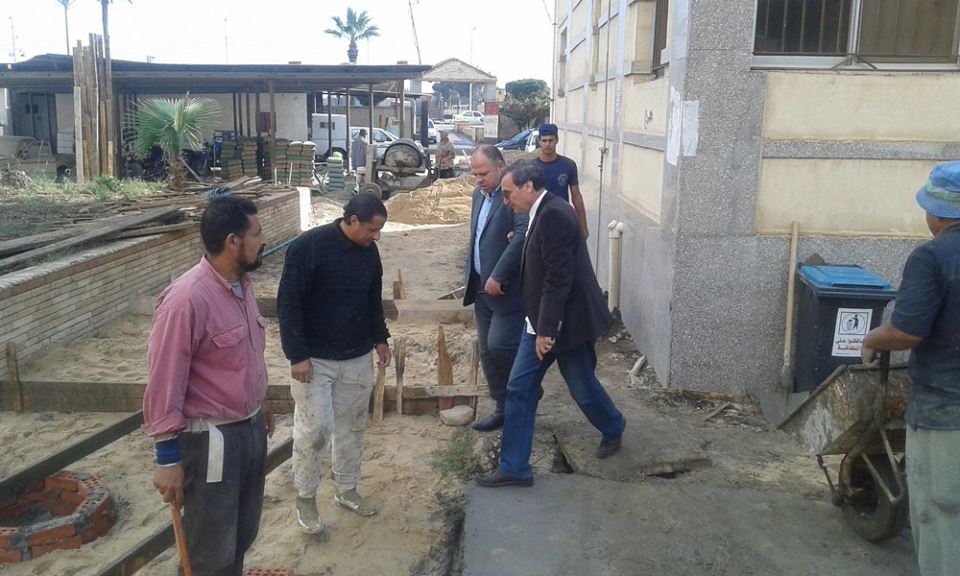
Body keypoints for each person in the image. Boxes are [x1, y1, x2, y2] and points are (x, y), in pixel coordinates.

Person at [144, 195, 274, 576]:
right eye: (257, 233)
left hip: (249, 431)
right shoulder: (186, 300)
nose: (263, 240)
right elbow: (164, 380)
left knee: (241, 535)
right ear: (233, 241)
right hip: (212, 443)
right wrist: (167, 458)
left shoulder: (242, 286)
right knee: (209, 550)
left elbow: (246, 355)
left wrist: (261, 401)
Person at [475, 160, 625, 488]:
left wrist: (546, 331)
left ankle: (613, 426)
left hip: (565, 325)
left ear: (528, 187)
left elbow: (559, 279)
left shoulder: (555, 214)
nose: (506, 200)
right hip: (538, 322)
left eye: (509, 193)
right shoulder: (539, 211)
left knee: (582, 388)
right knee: (519, 389)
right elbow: (540, 257)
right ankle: (514, 467)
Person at [862, 160, 960, 576]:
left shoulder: (933, 257)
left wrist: (871, 338)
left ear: (938, 213)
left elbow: (905, 332)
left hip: (946, 412)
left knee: (942, 513)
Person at [277, 193, 391, 533]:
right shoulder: (308, 248)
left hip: (356, 356)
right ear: (353, 220)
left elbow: (372, 300)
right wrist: (297, 354)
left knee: (352, 427)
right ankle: (306, 498)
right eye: (372, 229)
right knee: (314, 431)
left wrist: (380, 338)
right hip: (314, 360)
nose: (376, 237)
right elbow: (288, 304)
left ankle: (346, 489)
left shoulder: (369, 253)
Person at [463, 145, 529, 432]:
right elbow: (478, 237)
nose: (479, 179)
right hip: (480, 287)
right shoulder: (478, 195)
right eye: (475, 174)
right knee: (488, 354)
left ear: (500, 166)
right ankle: (502, 406)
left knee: (500, 344)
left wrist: (498, 275)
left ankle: (526, 391)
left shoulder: (512, 196)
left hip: (505, 288)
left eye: (484, 173)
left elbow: (523, 234)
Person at [534, 123, 589, 239]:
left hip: (563, 221)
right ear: (539, 141)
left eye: (551, 140)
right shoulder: (531, 167)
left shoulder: (568, 165)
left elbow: (576, 196)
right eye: (544, 140)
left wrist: (583, 225)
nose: (547, 144)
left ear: (557, 140)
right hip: (538, 223)